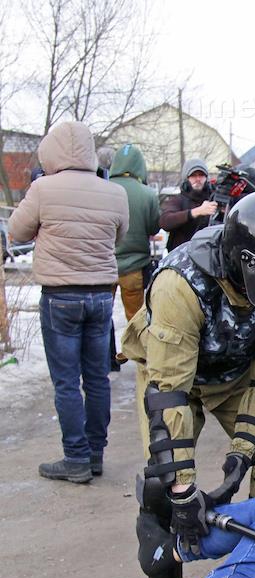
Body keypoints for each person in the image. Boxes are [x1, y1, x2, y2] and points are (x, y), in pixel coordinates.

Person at [121, 189, 255, 578]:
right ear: (241, 264)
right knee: (163, 483)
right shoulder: (179, 284)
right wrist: (183, 488)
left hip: (238, 372)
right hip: (175, 373)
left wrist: (240, 459)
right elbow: (169, 391)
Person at [9, 120, 128, 484]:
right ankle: (95, 454)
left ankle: (75, 458)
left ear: (51, 151)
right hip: (101, 296)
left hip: (60, 297)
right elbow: (119, 237)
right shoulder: (114, 191)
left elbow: (16, 231)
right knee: (97, 378)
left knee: (66, 383)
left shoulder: (43, 189)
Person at [109, 144, 161, 355]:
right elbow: (154, 227)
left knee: (102, 319)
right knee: (136, 318)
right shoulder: (148, 194)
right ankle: (142, 360)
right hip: (134, 267)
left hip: (104, 266)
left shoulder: (103, 188)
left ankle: (107, 359)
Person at [160, 159, 217, 252]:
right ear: (186, 179)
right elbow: (165, 221)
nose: (198, 179)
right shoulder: (178, 200)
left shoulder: (214, 199)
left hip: (209, 254)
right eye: (193, 175)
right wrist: (196, 212)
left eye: (201, 175)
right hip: (182, 255)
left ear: (206, 178)